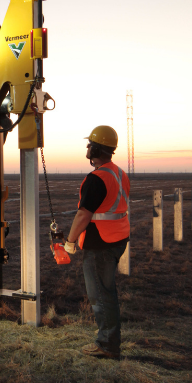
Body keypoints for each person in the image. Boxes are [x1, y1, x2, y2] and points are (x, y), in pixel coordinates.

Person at [64, 126, 130, 360]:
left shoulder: (96, 179)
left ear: (96, 148)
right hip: (118, 239)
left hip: (100, 243)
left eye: (89, 144)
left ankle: (107, 344)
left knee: (101, 294)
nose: (87, 147)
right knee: (106, 290)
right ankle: (107, 332)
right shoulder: (119, 173)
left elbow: (83, 215)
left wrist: (70, 242)